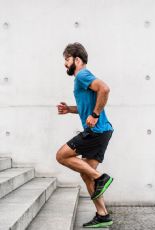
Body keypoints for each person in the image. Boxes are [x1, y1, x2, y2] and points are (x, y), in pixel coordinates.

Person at [56, 42, 115, 228]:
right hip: (103, 132)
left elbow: (104, 89)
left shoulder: (82, 75)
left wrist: (95, 115)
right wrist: (70, 109)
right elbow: (85, 106)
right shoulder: (81, 79)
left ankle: (101, 178)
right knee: (85, 174)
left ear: (77, 60)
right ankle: (103, 215)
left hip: (96, 131)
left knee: (61, 155)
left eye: (67, 59)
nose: (65, 64)